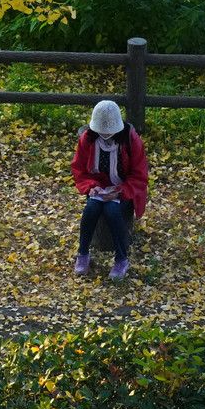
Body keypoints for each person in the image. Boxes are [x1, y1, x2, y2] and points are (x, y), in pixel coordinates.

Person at [70, 100, 148, 279]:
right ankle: (83, 253)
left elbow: (139, 175)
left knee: (113, 211)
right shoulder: (88, 138)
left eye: (109, 130)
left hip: (123, 188)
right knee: (91, 208)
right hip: (98, 188)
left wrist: (121, 191)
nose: (105, 134)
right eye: (101, 130)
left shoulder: (131, 140)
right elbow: (79, 169)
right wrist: (91, 187)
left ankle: (121, 259)